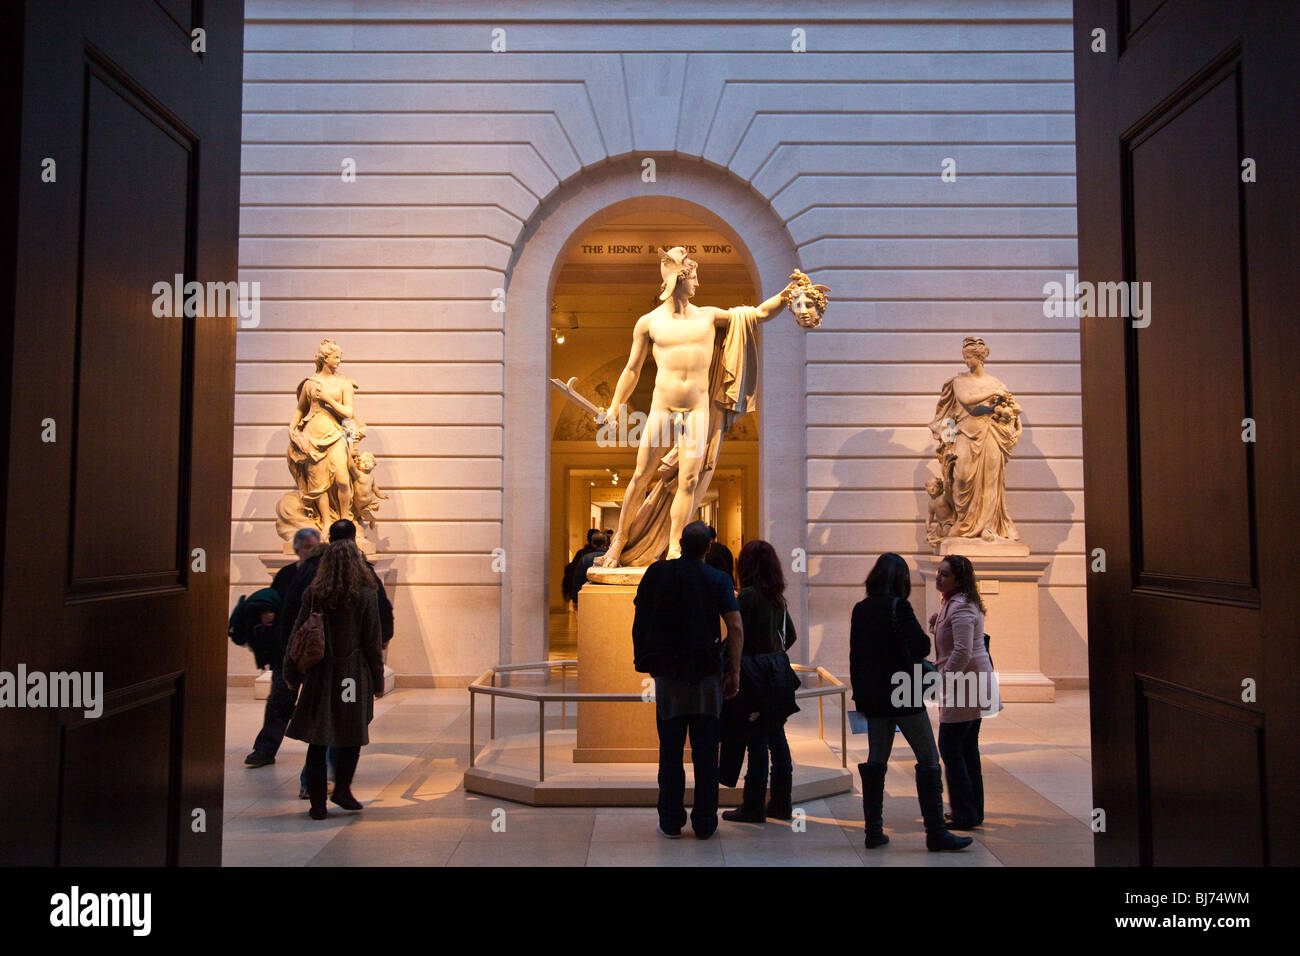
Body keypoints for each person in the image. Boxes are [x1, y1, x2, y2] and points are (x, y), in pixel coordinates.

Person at [849, 553, 972, 851]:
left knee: (876, 760)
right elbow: (920, 645)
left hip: (876, 696)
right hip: (903, 693)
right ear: (901, 580)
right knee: (928, 758)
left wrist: (862, 695)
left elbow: (856, 656)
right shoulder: (898, 606)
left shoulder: (861, 608)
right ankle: (936, 832)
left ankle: (873, 831)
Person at [632, 521, 743, 839]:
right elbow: (734, 626)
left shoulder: (658, 573)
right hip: (707, 676)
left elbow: (640, 615)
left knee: (670, 752)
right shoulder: (718, 578)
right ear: (708, 547)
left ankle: (670, 820)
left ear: (679, 543)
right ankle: (706, 822)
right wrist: (733, 670)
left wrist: (646, 657)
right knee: (707, 754)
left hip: (669, 674)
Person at [284, 537, 385, 819]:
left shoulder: (315, 592)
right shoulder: (365, 593)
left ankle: (318, 802)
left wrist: (290, 671)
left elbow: (298, 633)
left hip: (320, 673)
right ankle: (342, 789)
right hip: (351, 675)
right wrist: (378, 680)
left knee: (318, 739)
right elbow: (372, 642)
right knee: (351, 734)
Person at [721, 540, 799, 824]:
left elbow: (737, 634)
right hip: (777, 672)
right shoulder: (777, 597)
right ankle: (781, 801)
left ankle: (753, 806)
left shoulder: (748, 596)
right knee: (777, 738)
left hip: (754, 674)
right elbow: (790, 635)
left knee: (755, 739)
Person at [930, 553, 1000, 829]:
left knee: (951, 747)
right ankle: (971, 811)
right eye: (939, 572)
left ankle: (964, 813)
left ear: (959, 579)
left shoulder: (961, 608)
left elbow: (962, 651)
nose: (939, 577)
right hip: (968, 683)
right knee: (966, 748)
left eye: (945, 574)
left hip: (966, 685)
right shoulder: (953, 604)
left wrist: (942, 680)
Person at [244, 528, 320, 768]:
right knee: (279, 699)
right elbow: (274, 601)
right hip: (286, 649)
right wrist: (267, 613)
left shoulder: (320, 574)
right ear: (297, 549)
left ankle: (316, 757)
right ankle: (265, 748)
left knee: (315, 703)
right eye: (308, 546)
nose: (312, 551)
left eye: (315, 546)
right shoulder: (287, 574)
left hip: (312, 649)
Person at [562, 528, 601, 607]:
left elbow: (576, 577)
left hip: (584, 593)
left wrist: (575, 599)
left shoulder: (582, 554)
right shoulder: (609, 556)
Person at [572, 532, 608, 606]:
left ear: (592, 543)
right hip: (607, 595)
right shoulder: (611, 558)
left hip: (588, 596)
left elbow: (577, 580)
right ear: (605, 543)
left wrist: (575, 599)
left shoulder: (585, 558)